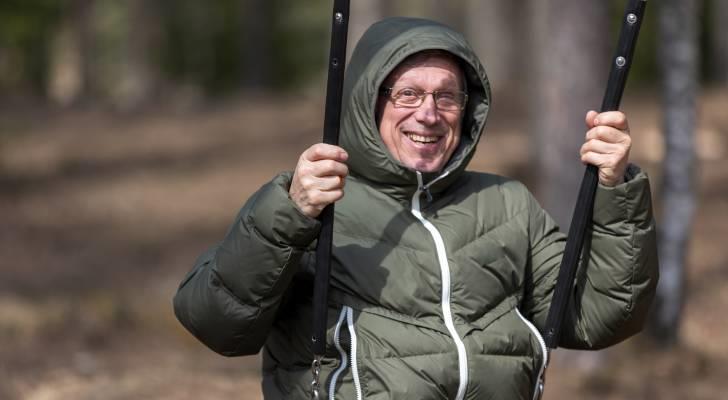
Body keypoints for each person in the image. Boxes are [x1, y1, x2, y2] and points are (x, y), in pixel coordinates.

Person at [173, 17, 658, 400]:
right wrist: (288, 215)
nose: (428, 113)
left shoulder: (506, 203)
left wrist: (615, 188)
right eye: (407, 94)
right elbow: (217, 323)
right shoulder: (316, 201)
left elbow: (604, 314)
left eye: (446, 96)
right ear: (369, 102)